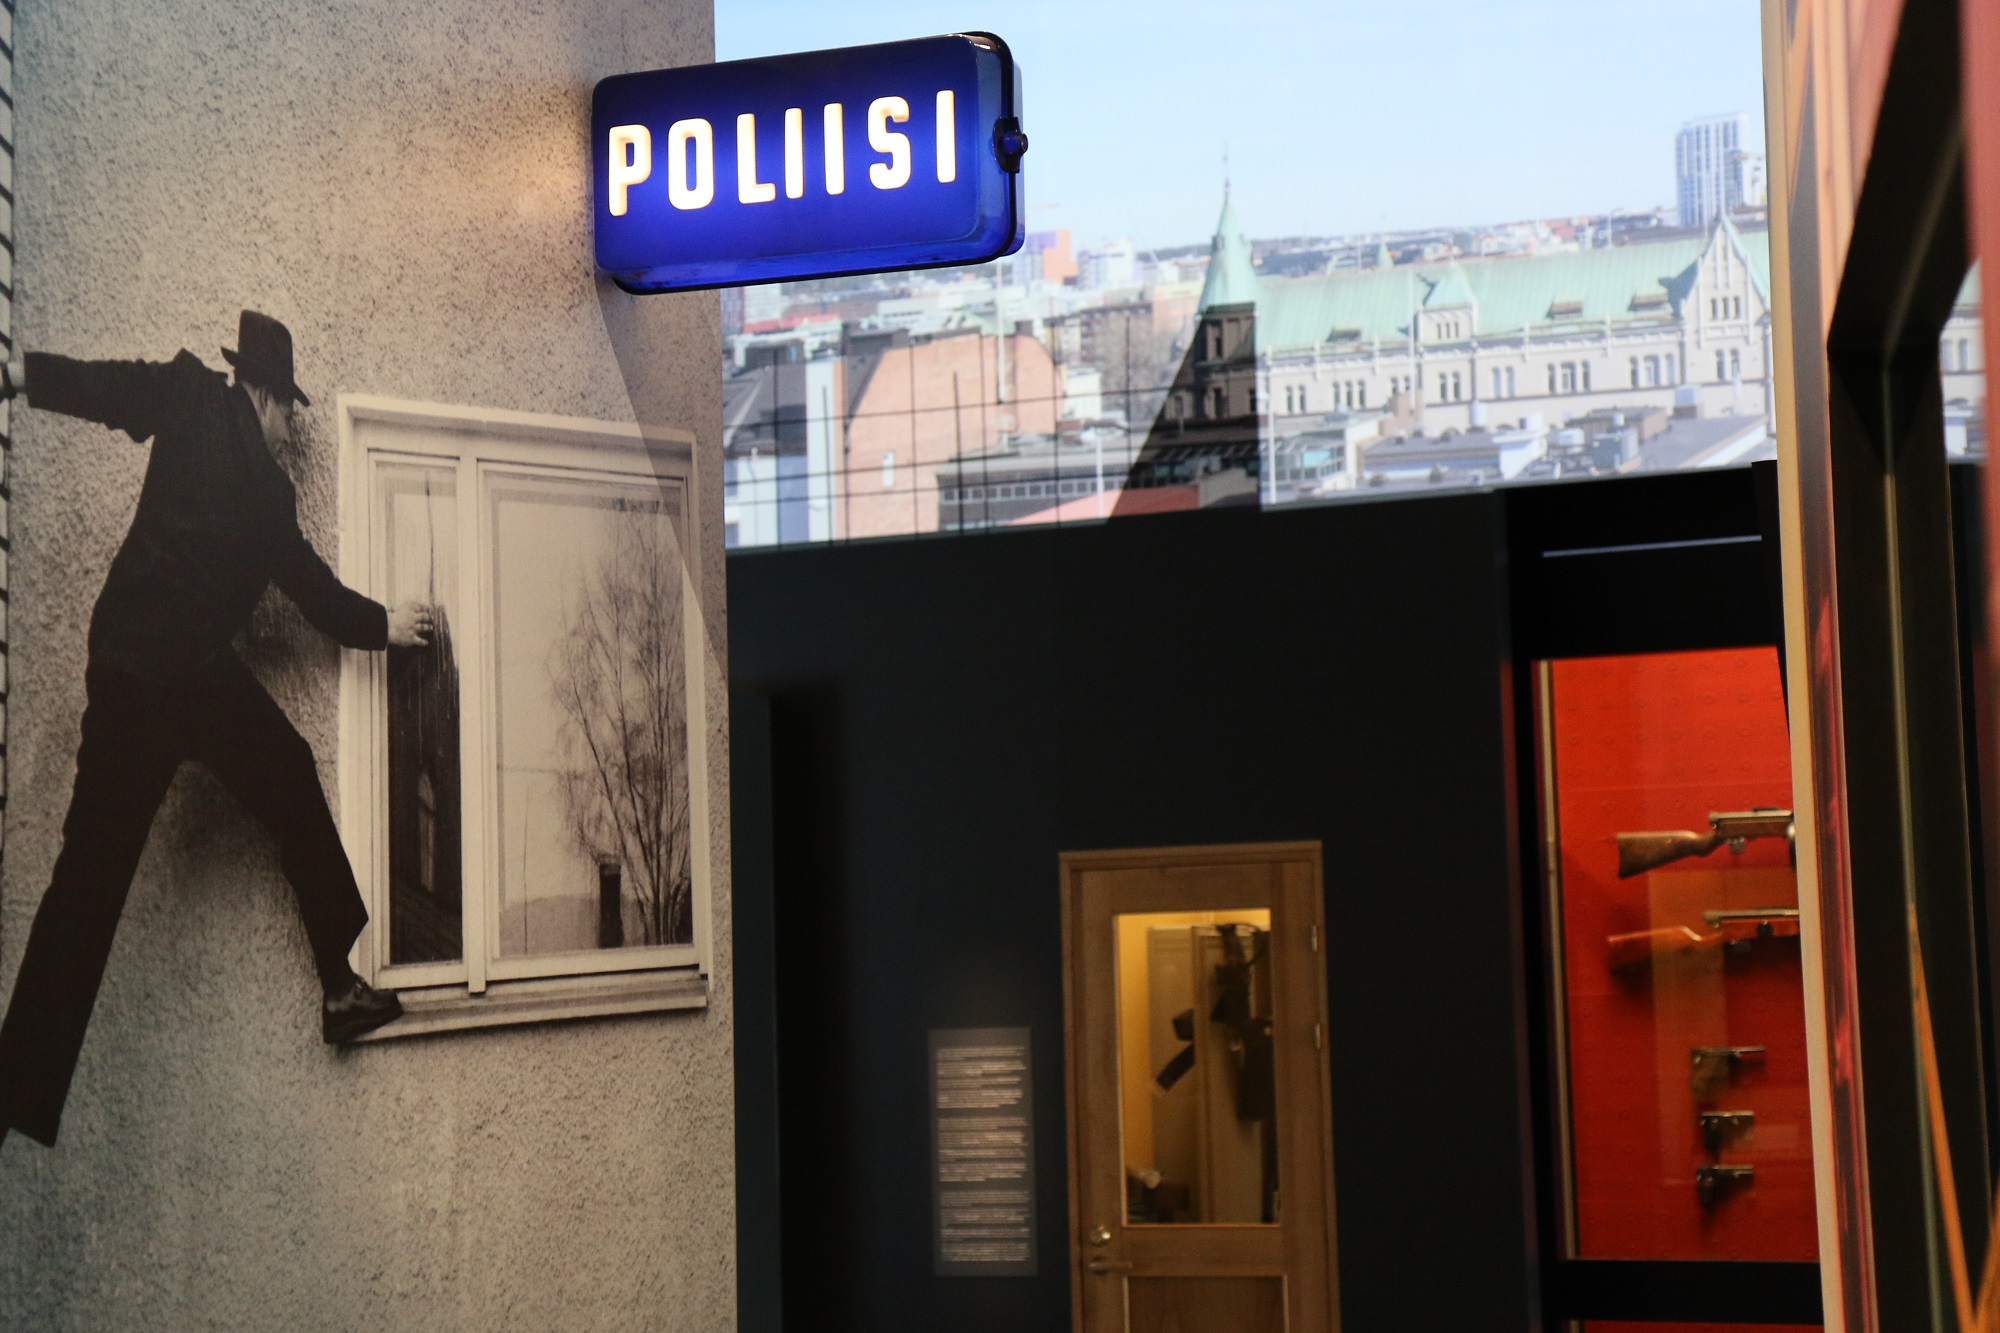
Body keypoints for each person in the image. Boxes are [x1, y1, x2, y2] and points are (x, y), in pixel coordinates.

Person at [0, 310, 432, 1149]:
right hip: (176, 679)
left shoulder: (186, 394)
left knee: (89, 877)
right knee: (291, 775)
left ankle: (14, 1085)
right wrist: (392, 625)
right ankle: (340, 986)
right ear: (266, 394)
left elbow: (104, 387)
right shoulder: (267, 496)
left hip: (140, 673)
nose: (287, 431)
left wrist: (20, 376)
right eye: (288, 414)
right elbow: (319, 598)